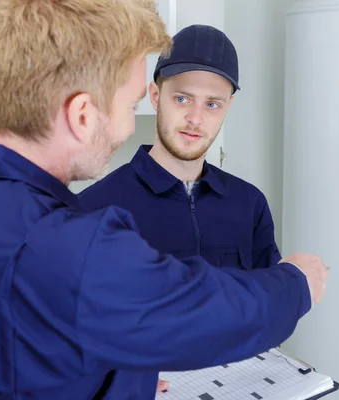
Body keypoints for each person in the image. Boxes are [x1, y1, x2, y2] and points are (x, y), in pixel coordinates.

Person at [0, 1, 328, 400]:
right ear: (83, 115)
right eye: (129, 106)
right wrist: (297, 282)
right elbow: (202, 310)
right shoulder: (68, 247)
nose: (129, 128)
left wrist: (124, 382)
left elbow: (18, 352)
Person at [77, 24, 287, 393]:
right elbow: (73, 332)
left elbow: (266, 312)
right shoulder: (95, 208)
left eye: (212, 104)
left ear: (228, 107)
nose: (195, 118)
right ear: (155, 95)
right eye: (182, 99)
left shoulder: (248, 204)